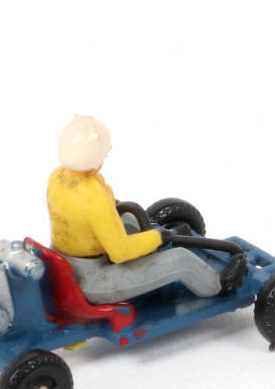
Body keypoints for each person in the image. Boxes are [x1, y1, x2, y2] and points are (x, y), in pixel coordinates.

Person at [47, 116, 240, 304]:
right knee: (181, 260)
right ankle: (219, 285)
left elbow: (91, 215)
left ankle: (156, 242)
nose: (105, 157)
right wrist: (158, 237)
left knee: (130, 220)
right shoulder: (92, 197)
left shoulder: (58, 177)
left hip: (67, 262)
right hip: (92, 280)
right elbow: (120, 253)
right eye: (104, 153)